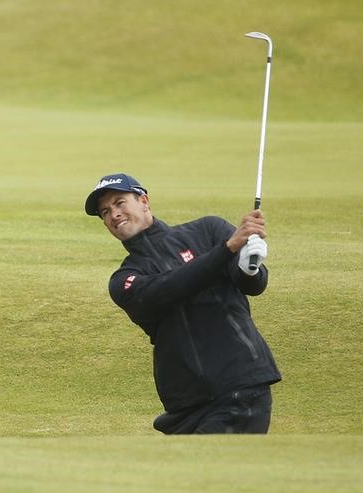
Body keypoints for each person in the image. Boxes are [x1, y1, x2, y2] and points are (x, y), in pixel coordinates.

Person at [84, 173, 281, 434]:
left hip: (239, 389)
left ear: (143, 200)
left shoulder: (208, 230)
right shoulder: (124, 280)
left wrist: (249, 266)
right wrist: (227, 249)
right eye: (105, 212)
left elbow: (253, 285)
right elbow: (168, 288)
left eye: (120, 203)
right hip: (186, 409)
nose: (113, 214)